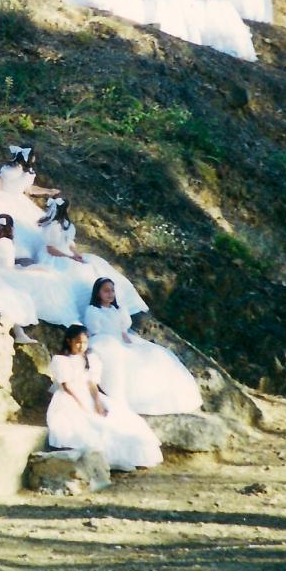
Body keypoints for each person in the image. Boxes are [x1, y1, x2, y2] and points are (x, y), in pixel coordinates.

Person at [46, 324, 163, 471]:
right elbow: (66, 386)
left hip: (88, 394)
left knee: (124, 420)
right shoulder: (61, 360)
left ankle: (134, 457)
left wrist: (97, 402)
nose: (82, 346)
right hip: (69, 396)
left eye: (85, 342)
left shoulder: (90, 358)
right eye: (78, 342)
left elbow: (92, 384)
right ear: (69, 341)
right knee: (90, 424)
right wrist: (80, 404)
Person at [83, 278, 203, 416]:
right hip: (106, 343)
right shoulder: (93, 311)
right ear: (98, 293)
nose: (110, 294)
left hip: (121, 340)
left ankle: (169, 394)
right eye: (106, 291)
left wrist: (125, 337)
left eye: (112, 290)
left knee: (156, 354)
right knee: (126, 361)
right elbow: (95, 332)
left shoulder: (117, 309)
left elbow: (122, 328)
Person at [35, 197, 149, 318]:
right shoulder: (53, 226)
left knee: (94, 263)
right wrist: (69, 257)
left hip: (68, 253)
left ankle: (118, 299)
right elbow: (50, 249)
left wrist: (75, 254)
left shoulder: (66, 224)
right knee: (79, 271)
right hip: (55, 256)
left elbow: (69, 242)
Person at [0, 146, 59, 261]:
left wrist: (48, 191)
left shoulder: (28, 173)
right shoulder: (11, 169)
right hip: (4, 197)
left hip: (19, 200)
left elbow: (29, 189)